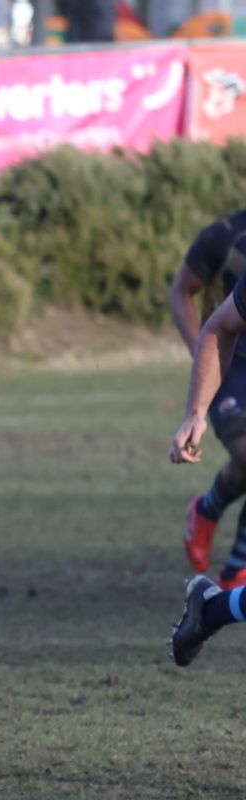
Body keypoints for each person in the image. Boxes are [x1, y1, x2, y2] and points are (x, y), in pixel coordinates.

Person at [172, 210, 246, 588]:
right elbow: (183, 291)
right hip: (232, 366)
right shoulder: (224, 235)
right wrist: (195, 411)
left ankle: (235, 569)